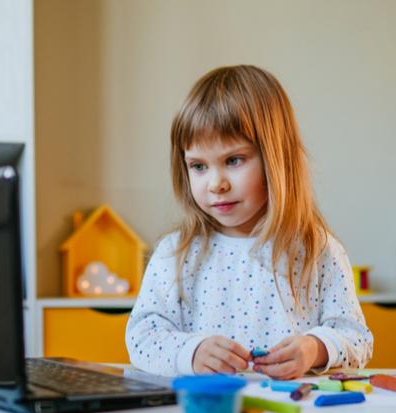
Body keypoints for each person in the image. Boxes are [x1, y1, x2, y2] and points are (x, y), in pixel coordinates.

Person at [125, 65, 372, 379]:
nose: (216, 183)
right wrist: (192, 352)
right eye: (199, 166)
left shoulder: (317, 249)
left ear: (275, 159)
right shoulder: (175, 254)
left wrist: (314, 348)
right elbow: (141, 338)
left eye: (233, 160)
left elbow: (357, 338)